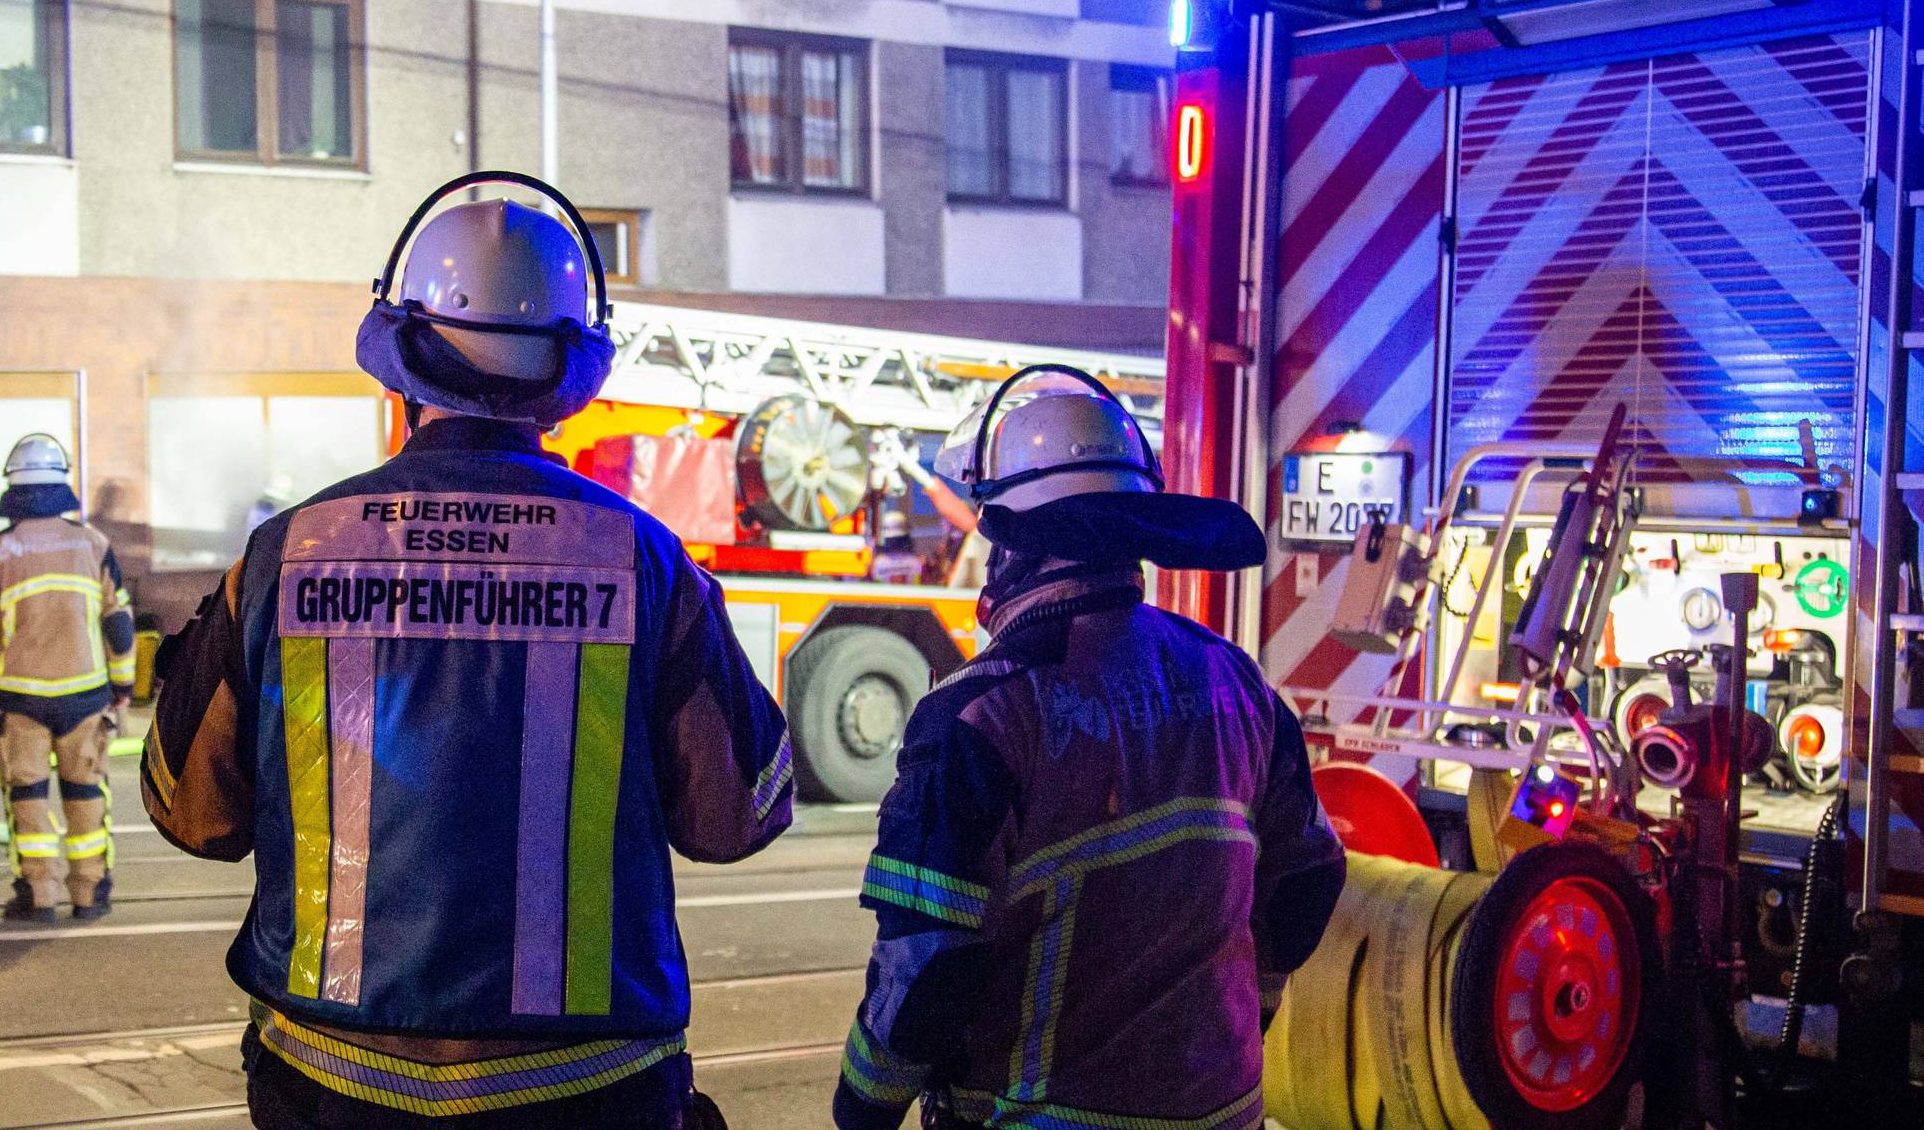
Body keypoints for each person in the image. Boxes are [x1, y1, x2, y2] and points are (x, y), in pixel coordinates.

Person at [146, 172, 790, 1129]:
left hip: (331, 1081)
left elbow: (192, 813)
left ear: (402, 357)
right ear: (566, 374)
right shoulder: (644, 558)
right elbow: (740, 813)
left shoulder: (284, 556)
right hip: (584, 1089)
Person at [831, 368, 1345, 1130]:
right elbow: (1309, 880)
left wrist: (861, 1106)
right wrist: (1244, 1012)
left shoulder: (981, 714)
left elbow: (931, 962)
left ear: (1013, 545)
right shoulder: (1236, 680)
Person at [0, 433, 137, 922]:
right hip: (85, 695)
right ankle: (90, 893)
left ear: (12, 489)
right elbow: (118, 624)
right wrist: (122, 687)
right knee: (86, 794)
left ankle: (38, 896)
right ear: (62, 485)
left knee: (27, 798)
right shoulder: (93, 544)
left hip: (21, 702)